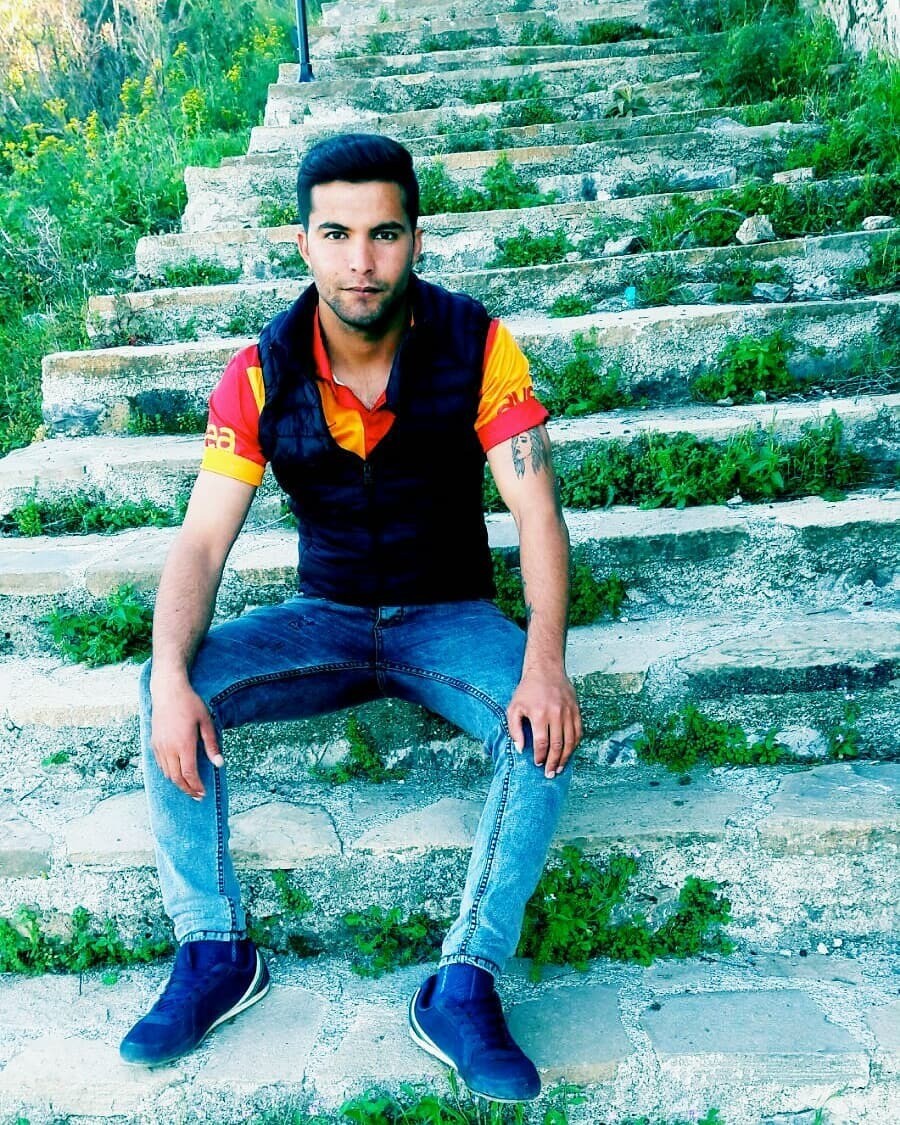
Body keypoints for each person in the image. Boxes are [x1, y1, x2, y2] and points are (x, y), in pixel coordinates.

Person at [119, 133, 582, 1103]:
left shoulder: (478, 344)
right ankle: (214, 952)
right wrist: (170, 674)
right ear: (303, 243)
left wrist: (545, 661)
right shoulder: (259, 372)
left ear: (416, 237)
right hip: (322, 620)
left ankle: (463, 985)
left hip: (447, 616)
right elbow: (201, 543)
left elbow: (537, 511)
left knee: (540, 730)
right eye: (336, 234)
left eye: (383, 233)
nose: (361, 260)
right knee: (167, 682)